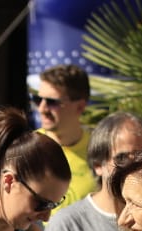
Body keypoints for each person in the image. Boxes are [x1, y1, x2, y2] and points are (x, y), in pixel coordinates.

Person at [32, 64, 95, 211]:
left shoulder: (101, 150)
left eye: (52, 102)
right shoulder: (27, 147)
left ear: (79, 107)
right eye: (37, 99)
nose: (42, 109)